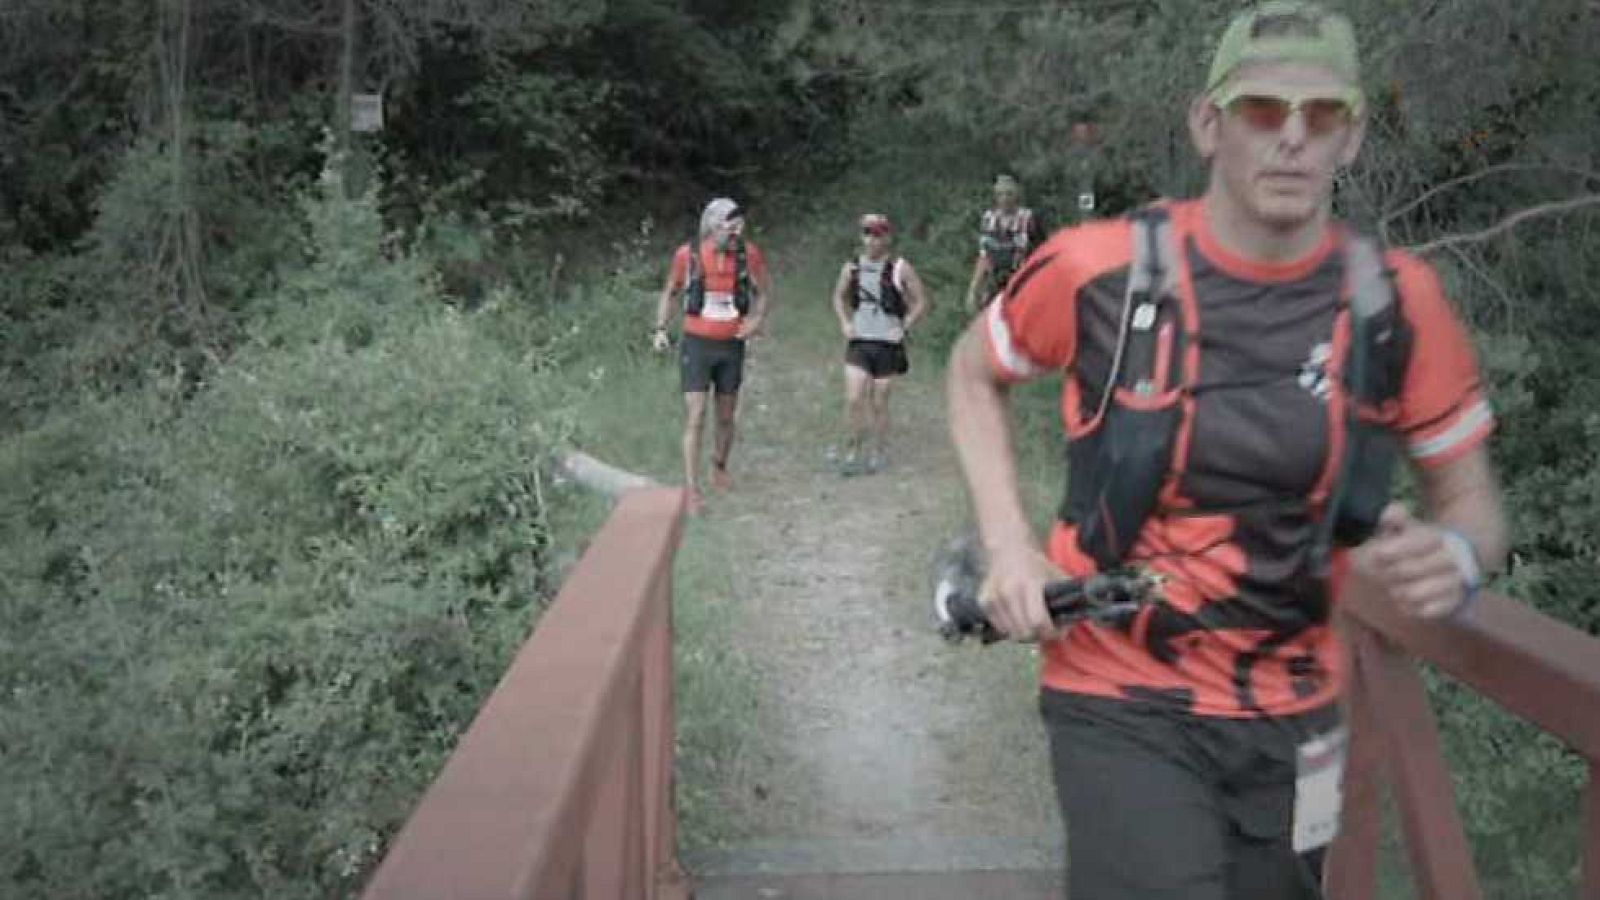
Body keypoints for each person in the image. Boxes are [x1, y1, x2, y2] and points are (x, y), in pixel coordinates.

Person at [945, 4, 1508, 899]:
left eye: (1321, 114)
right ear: (1209, 125)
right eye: (1261, 110)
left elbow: (1474, 510)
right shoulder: (1100, 269)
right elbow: (973, 372)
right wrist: (1008, 544)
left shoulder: (1398, 302)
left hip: (1301, 713)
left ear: (1352, 136)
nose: (1292, 139)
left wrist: (1455, 557)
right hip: (1119, 691)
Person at [653, 198, 772, 514]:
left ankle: (719, 464)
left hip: (732, 344)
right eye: (729, 229)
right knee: (696, 415)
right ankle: (692, 489)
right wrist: (661, 329)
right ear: (711, 226)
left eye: (738, 229)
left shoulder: (749, 255)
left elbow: (763, 295)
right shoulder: (688, 256)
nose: (734, 235)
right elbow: (671, 291)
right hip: (697, 344)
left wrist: (756, 321)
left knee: (725, 415)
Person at [829, 213, 930, 475]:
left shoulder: (899, 268)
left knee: (880, 401)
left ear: (887, 237)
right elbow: (838, 297)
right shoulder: (851, 267)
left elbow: (920, 301)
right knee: (854, 398)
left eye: (877, 234)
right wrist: (844, 322)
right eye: (867, 234)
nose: (872, 240)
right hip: (860, 340)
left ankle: (879, 451)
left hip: (887, 342)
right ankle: (852, 450)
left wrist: (904, 326)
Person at [965, 174, 1046, 312]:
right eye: (1000, 194)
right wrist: (973, 290)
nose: (1005, 199)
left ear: (1016, 195)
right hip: (995, 282)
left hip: (1022, 282)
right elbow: (984, 257)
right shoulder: (988, 219)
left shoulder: (1028, 219)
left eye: (1009, 194)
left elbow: (1043, 254)